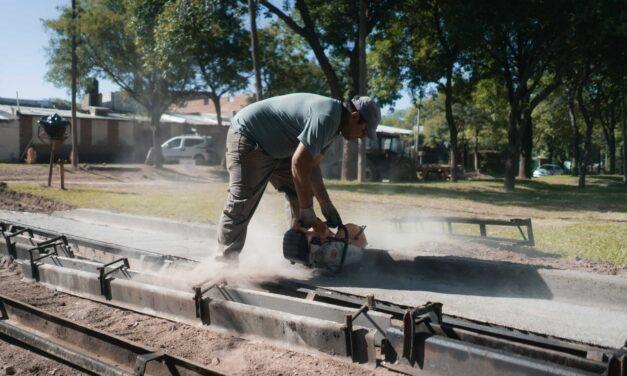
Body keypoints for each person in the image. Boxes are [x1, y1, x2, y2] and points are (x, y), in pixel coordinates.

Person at [216, 92, 381, 263]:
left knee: (299, 193)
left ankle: (300, 251)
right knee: (241, 203)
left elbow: (312, 164)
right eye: (363, 131)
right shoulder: (327, 116)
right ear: (354, 117)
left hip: (279, 148)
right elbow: (299, 163)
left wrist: (325, 203)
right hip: (249, 136)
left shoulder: (336, 125)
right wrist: (307, 210)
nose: (362, 137)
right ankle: (224, 264)